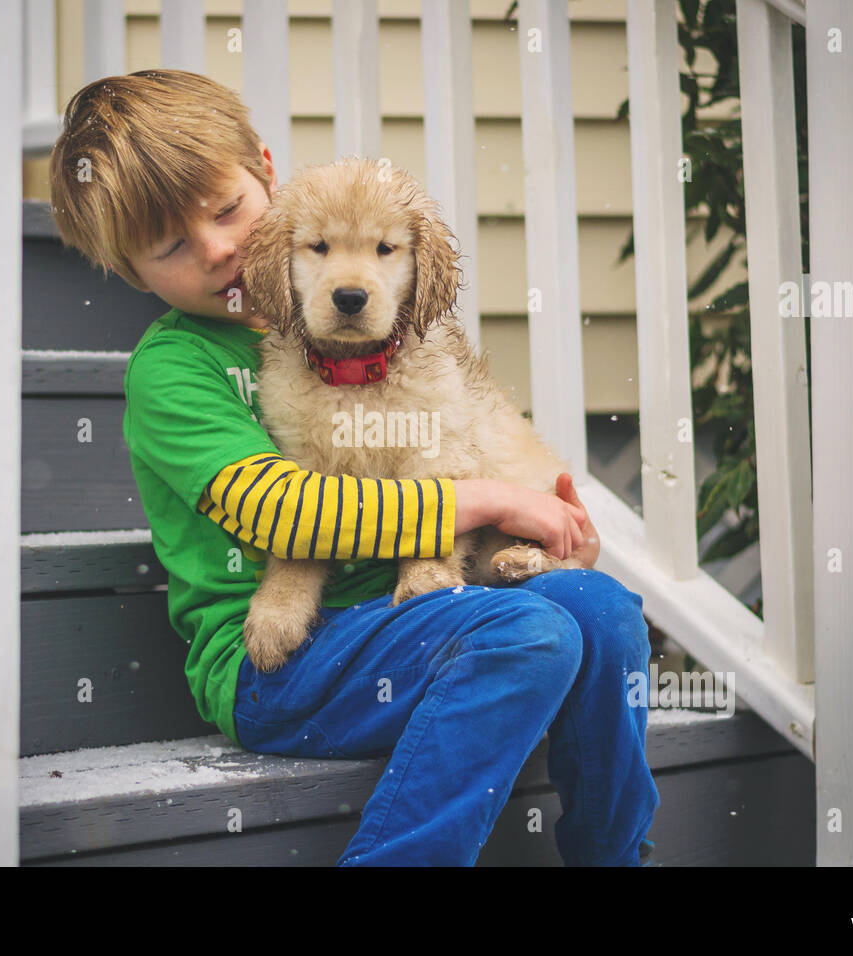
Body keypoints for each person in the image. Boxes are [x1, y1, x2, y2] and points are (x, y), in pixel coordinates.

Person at [48, 69, 659, 866]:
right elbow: (283, 512)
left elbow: (450, 432)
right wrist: (478, 500)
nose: (220, 248)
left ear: (267, 170)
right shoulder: (175, 370)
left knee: (601, 609)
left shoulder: (373, 322)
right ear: (133, 273)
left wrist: (530, 532)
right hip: (275, 665)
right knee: (529, 633)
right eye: (171, 245)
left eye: (228, 209)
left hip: (411, 622)